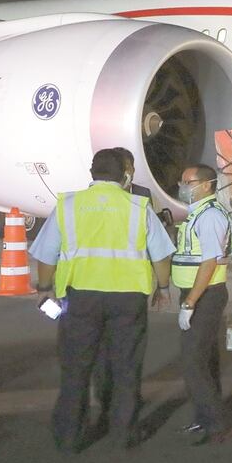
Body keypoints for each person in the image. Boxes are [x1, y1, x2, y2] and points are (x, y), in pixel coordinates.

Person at [30, 149, 175, 452]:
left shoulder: (68, 206)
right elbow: (161, 254)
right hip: (128, 300)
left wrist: (46, 289)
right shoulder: (138, 207)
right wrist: (163, 288)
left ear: (92, 172)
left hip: (80, 299)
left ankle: (69, 438)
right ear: (124, 173)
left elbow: (46, 255)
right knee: (126, 368)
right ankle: (124, 434)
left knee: (76, 369)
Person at [172, 163, 232, 445]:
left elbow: (209, 262)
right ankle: (205, 419)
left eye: (189, 182)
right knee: (205, 360)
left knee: (192, 362)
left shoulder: (209, 217)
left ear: (207, 184)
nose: (183, 187)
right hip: (199, 293)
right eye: (182, 182)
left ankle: (218, 425)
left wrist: (189, 303)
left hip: (205, 294)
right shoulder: (197, 214)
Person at [91, 147, 154, 428]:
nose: (129, 172)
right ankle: (108, 403)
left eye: (132, 167)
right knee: (104, 353)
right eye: (126, 166)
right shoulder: (92, 198)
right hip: (96, 283)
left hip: (129, 285)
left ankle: (128, 403)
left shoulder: (142, 196)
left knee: (128, 354)